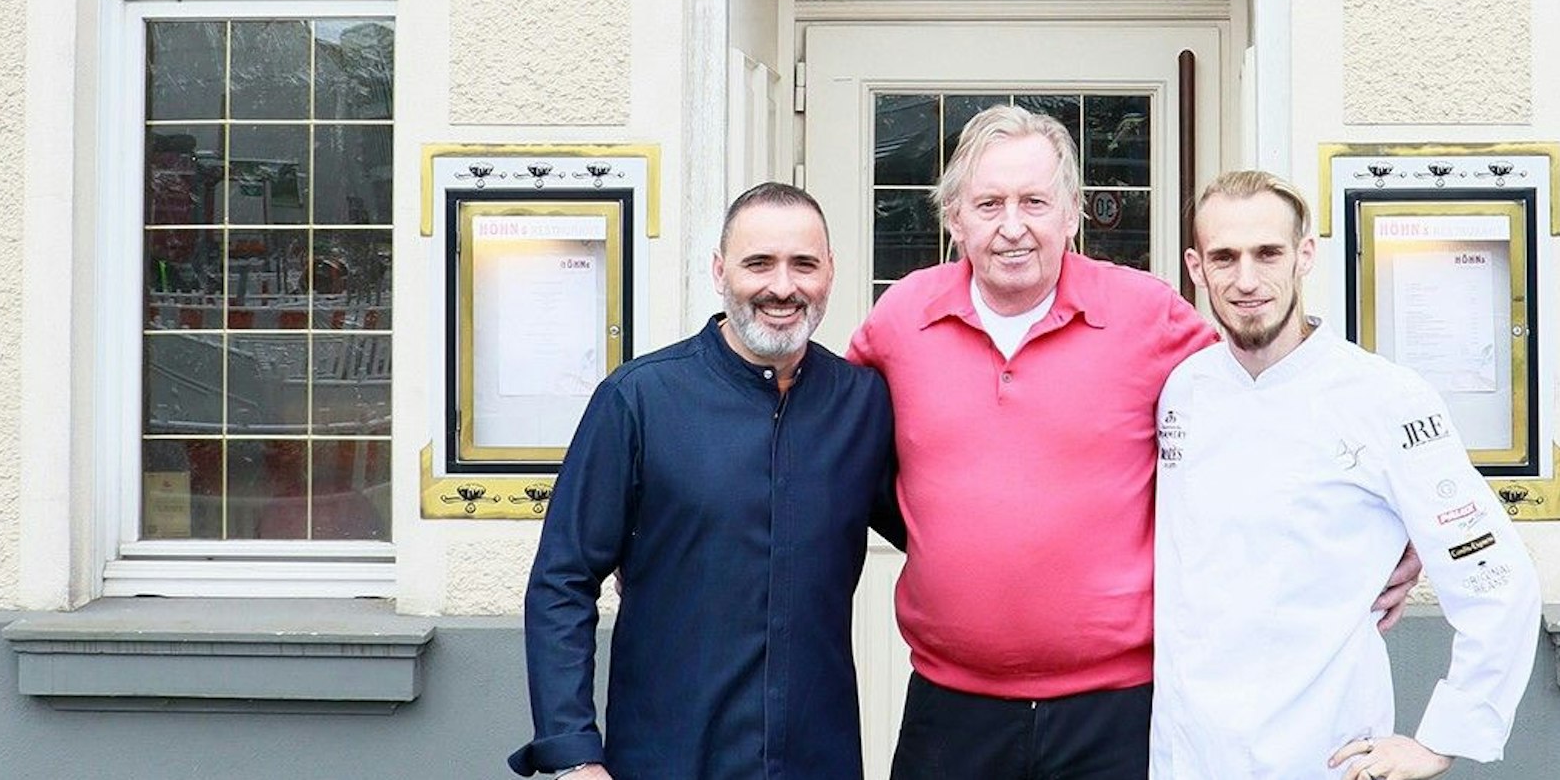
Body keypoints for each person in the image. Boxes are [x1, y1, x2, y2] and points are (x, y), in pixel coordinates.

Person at [847, 106, 1420, 780]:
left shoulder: (1145, 313)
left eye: (1035, 201)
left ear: (1071, 214)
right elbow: (836, 439)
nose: (1011, 225)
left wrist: (1392, 518)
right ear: (954, 218)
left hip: (1118, 708)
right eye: (988, 203)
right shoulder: (902, 316)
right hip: (951, 706)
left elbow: (1274, 403)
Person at [1150, 171, 1541, 780]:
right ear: (1197, 269)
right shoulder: (1183, 390)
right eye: (1225, 257)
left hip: (1327, 753)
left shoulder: (1387, 398)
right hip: (1190, 752)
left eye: (1268, 253)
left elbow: (1494, 575)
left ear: (1304, 256)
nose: (1246, 279)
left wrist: (1443, 737)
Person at [509, 183, 898, 780]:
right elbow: (563, 578)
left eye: (804, 264)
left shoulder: (863, 405)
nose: (783, 286)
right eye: (758, 263)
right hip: (668, 756)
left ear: (830, 274)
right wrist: (573, 751)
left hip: (816, 758)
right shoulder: (640, 400)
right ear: (720, 271)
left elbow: (939, 531)